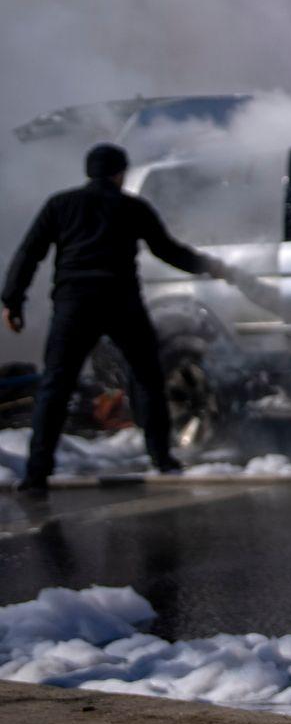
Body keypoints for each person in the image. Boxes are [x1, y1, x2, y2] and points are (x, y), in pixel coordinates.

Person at [3, 143, 227, 495]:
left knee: (56, 385)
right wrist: (210, 267)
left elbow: (29, 253)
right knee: (148, 377)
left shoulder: (59, 205)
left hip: (74, 303)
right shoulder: (131, 206)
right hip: (121, 301)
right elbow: (168, 250)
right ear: (120, 173)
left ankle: (36, 474)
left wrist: (12, 301)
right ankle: (162, 459)